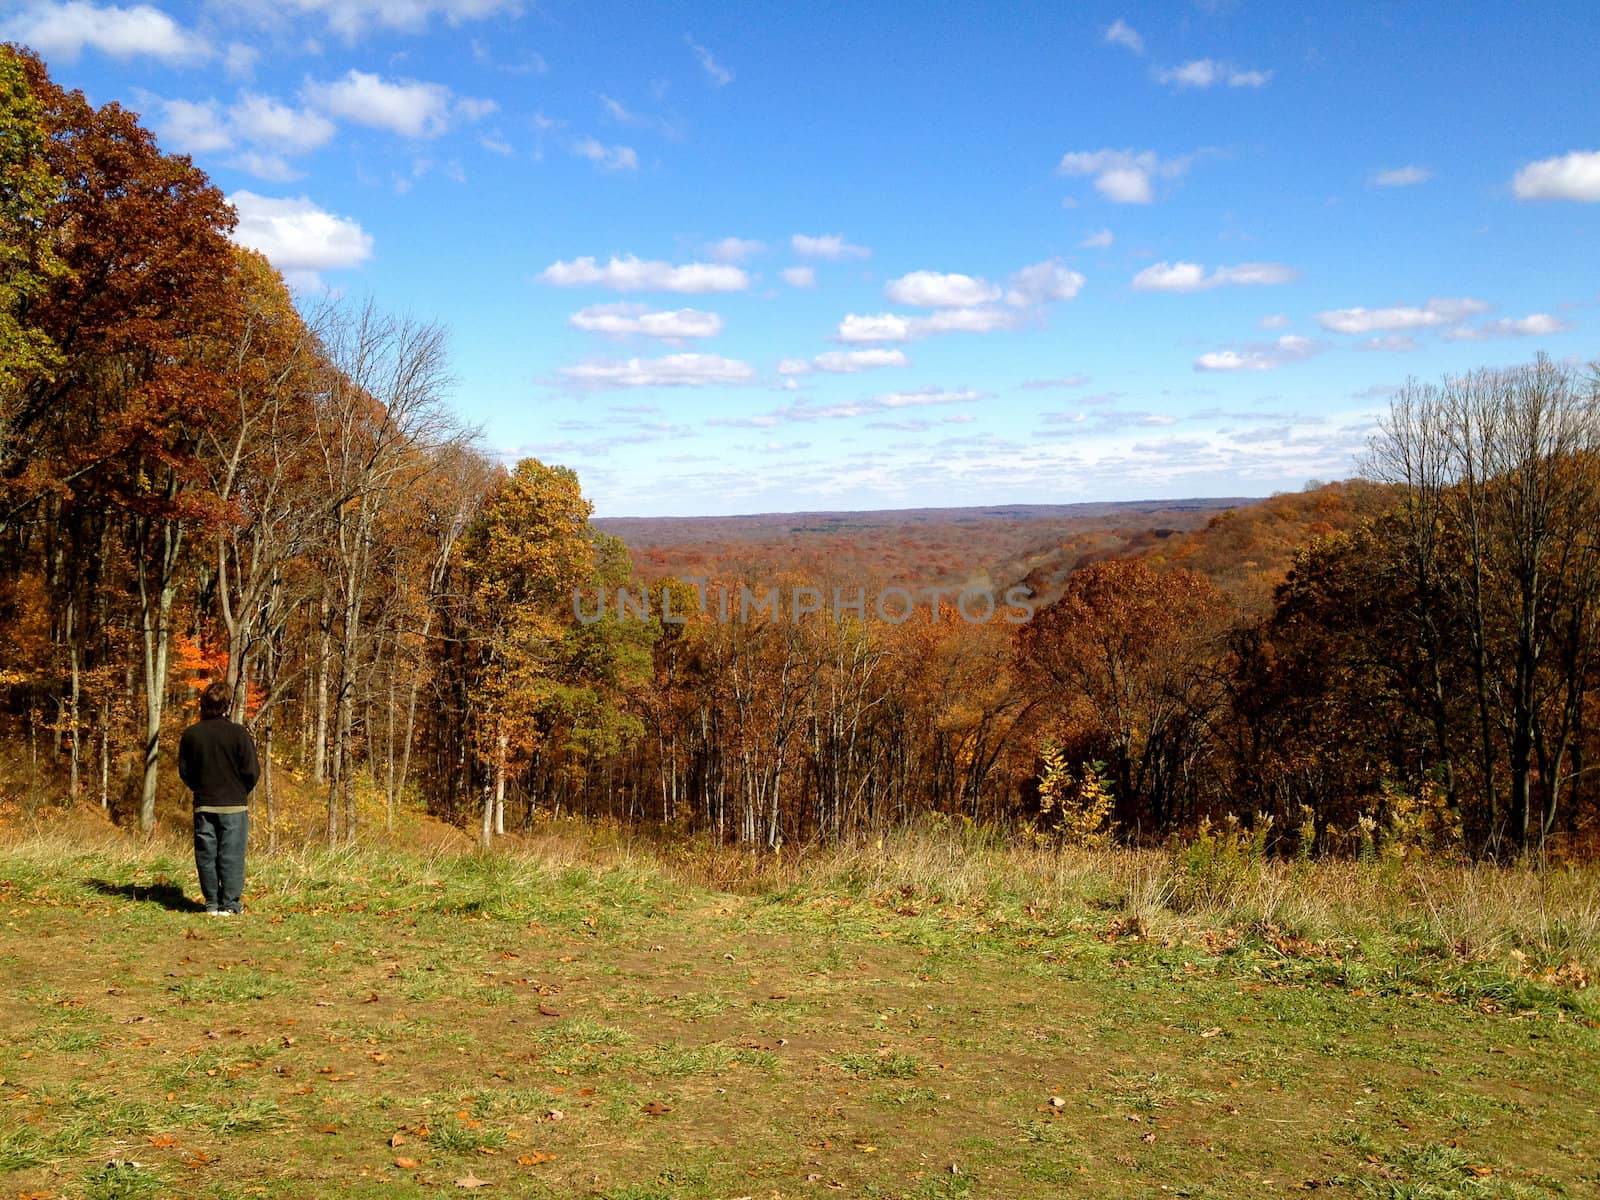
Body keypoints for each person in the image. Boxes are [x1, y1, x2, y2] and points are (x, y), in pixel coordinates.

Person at [178, 681, 260, 916]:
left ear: (203, 703)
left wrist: (200, 788)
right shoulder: (238, 734)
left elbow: (185, 771)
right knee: (231, 855)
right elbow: (252, 770)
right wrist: (240, 791)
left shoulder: (191, 735)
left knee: (206, 855)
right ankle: (230, 905)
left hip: (204, 803)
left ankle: (212, 903)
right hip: (234, 805)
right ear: (228, 705)